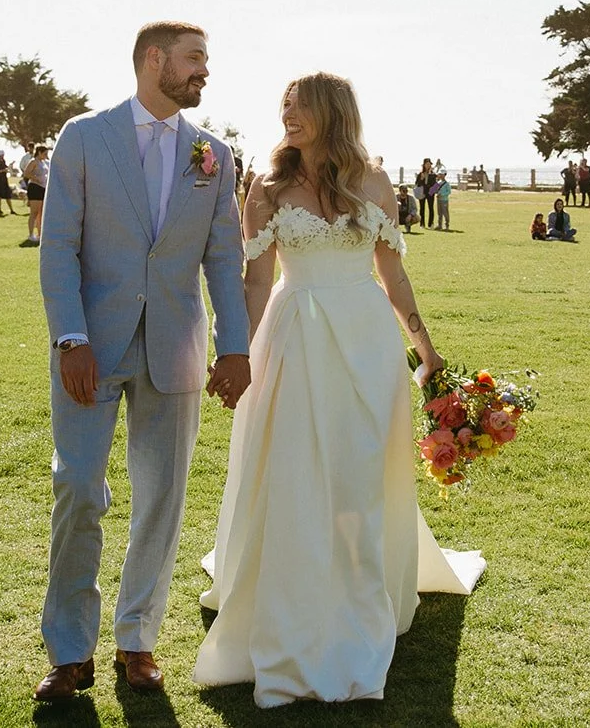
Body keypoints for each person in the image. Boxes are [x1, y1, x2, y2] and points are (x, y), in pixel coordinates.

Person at [194, 71, 482, 708]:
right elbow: (255, 281)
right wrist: (235, 349)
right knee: (295, 467)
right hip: (294, 336)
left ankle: (360, 582)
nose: (287, 116)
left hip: (367, 342)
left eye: (299, 107)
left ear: (332, 112)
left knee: (358, 468)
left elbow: (393, 275)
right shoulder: (265, 187)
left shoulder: (374, 182)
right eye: (284, 107)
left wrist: (424, 348)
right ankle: (295, 594)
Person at [34, 21, 250, 702]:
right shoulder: (84, 136)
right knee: (78, 489)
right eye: (194, 59)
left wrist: (234, 345)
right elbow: (58, 245)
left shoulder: (214, 154)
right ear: (152, 60)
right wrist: (70, 337)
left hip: (176, 348)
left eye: (206, 62)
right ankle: (70, 651)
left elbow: (224, 259)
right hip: (90, 348)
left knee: (163, 500)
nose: (204, 72)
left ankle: (138, 640)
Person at [22, 146, 50, 247]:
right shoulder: (34, 162)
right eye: (44, 153)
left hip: (42, 188)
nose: (46, 156)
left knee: (41, 212)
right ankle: (30, 234)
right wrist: (36, 178)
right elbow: (26, 173)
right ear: (39, 152)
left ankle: (40, 234)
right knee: (34, 212)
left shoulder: (45, 162)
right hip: (35, 187)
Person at [0, 151, 16, 216]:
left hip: (4, 179)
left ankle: (11, 210)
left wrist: (10, 166)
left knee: (7, 195)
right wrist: (2, 170)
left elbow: (6, 168)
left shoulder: (3, 161)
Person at [414, 158, 436, 229]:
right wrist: (421, 179)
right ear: (424, 165)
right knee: (422, 209)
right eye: (427, 164)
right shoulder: (420, 174)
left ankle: (430, 224)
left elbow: (435, 185)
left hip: (430, 193)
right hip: (422, 193)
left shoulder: (433, 174)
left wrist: (432, 191)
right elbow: (417, 184)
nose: (428, 165)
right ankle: (422, 224)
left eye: (429, 164)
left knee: (431, 208)